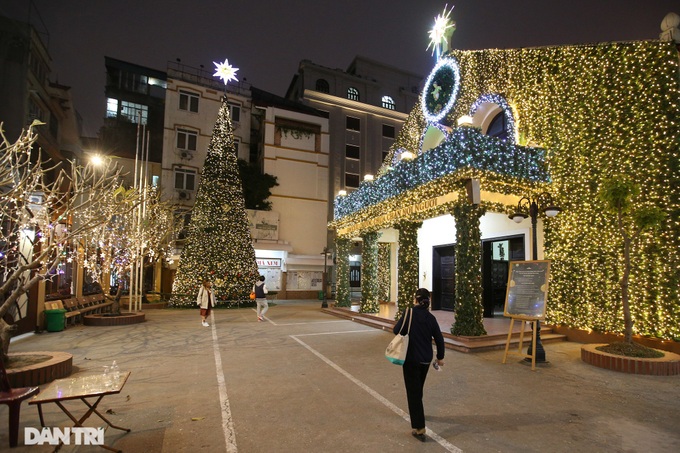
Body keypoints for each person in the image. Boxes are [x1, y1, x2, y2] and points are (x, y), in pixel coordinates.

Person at [393, 288, 445, 442]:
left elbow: (397, 330)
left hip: (411, 359)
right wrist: (440, 357)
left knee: (413, 392)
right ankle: (419, 412)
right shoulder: (431, 318)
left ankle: (419, 428)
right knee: (418, 387)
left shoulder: (409, 313)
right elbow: (440, 339)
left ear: (415, 300)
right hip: (425, 360)